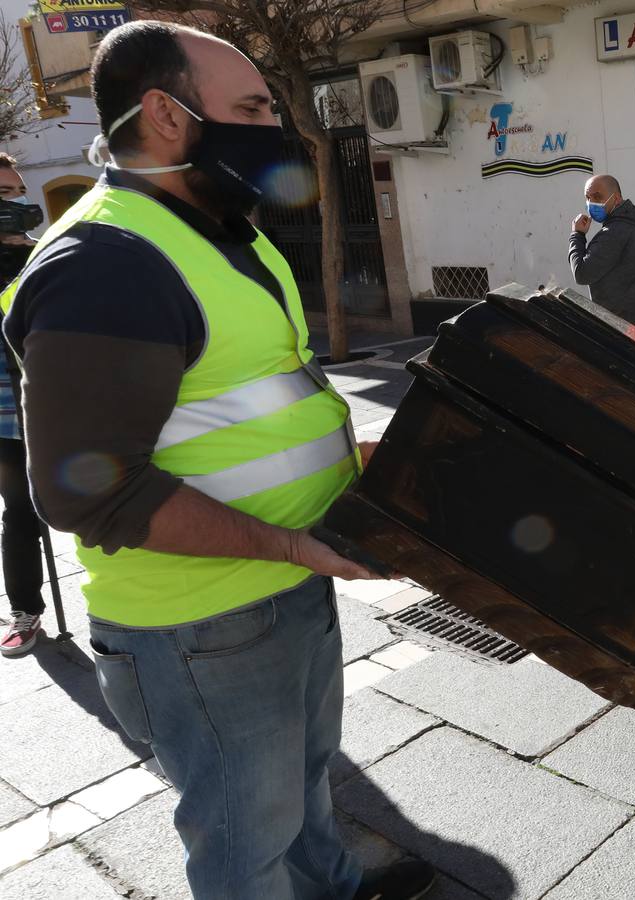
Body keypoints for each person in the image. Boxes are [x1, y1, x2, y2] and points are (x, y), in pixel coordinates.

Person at [0, 22, 434, 900]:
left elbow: (246, 403)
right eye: (249, 109)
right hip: (201, 624)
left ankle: (338, 889)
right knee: (243, 840)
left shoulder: (219, 230)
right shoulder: (106, 263)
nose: (272, 130)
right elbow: (86, 492)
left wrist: (353, 458)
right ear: (166, 113)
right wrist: (289, 546)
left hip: (285, 583)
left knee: (307, 787)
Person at [0, 154, 46, 658]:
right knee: (18, 513)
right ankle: (25, 610)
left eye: (14, 193)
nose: (11, 204)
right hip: (3, 413)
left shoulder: (44, 257)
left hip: (57, 406)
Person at [568, 174, 635, 338]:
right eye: (588, 198)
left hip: (633, 331)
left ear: (615, 198)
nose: (591, 203)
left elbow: (582, 273)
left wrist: (577, 235)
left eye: (597, 197)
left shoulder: (614, 232)